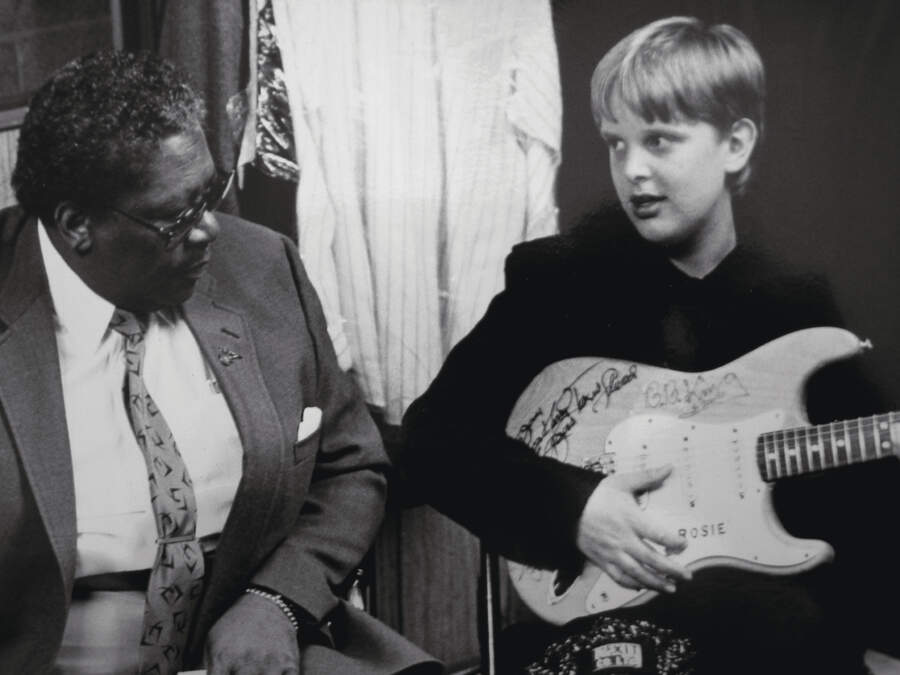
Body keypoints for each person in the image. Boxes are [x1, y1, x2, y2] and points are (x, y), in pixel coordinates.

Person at [402, 16, 900, 675]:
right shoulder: (557, 282)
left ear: (736, 143)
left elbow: (872, 503)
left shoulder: (808, 297)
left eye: (660, 140)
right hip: (607, 633)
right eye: (616, 143)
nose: (633, 170)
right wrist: (576, 508)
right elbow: (432, 436)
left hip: (784, 637)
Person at [0, 49, 438, 675]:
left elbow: (350, 466)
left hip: (256, 652)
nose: (209, 229)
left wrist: (276, 601)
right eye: (177, 216)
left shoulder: (262, 268)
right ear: (76, 226)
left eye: (211, 192)